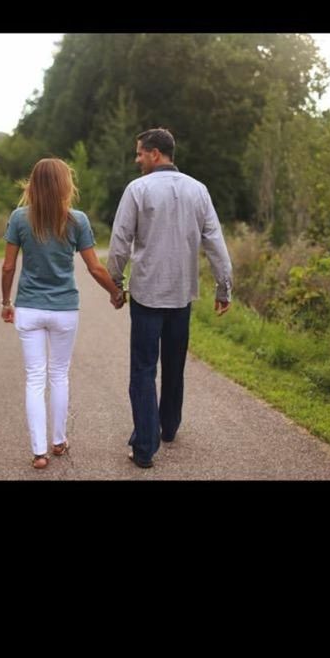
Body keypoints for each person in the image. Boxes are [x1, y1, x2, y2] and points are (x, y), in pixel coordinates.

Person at [107, 128, 232, 469]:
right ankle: (169, 427)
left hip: (148, 295)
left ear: (156, 154)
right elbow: (215, 241)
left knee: (144, 370)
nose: (137, 160)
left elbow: (119, 242)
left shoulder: (138, 189)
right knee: (174, 365)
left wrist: (115, 284)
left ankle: (145, 447)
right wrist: (224, 287)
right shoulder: (198, 190)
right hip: (181, 295)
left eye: (140, 154)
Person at [1, 157, 124, 470]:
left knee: (34, 378)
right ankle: (58, 442)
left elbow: (8, 266)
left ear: (33, 184)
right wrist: (115, 292)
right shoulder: (76, 220)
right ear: (64, 185)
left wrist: (6, 302)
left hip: (29, 308)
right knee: (58, 375)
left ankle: (38, 452)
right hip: (64, 310)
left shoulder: (18, 218)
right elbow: (94, 267)